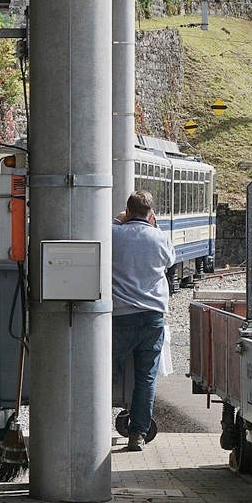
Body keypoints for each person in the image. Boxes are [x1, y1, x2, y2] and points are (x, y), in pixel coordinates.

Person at [112, 189, 175, 451]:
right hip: (153, 319)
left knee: (104, 373)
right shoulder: (160, 237)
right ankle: (137, 434)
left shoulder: (114, 233)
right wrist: (154, 227)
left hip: (120, 317)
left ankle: (88, 424)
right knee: (146, 379)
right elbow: (170, 262)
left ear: (127, 211)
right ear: (151, 214)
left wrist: (118, 221)